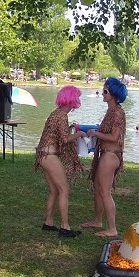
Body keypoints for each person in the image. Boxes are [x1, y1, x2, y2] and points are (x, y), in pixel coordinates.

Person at [34, 86, 87, 238]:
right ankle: (65, 227)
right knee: (64, 190)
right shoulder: (62, 116)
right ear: (72, 100)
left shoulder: (55, 113)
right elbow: (64, 139)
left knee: (54, 190)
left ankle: (48, 223)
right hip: (50, 156)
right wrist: (78, 134)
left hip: (42, 154)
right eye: (77, 98)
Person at [81, 77, 127, 239]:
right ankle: (97, 220)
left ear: (113, 93)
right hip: (105, 154)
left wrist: (95, 133)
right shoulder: (111, 111)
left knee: (105, 191)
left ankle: (112, 228)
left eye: (105, 91)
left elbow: (114, 137)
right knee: (97, 187)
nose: (102, 93)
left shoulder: (118, 113)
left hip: (111, 156)